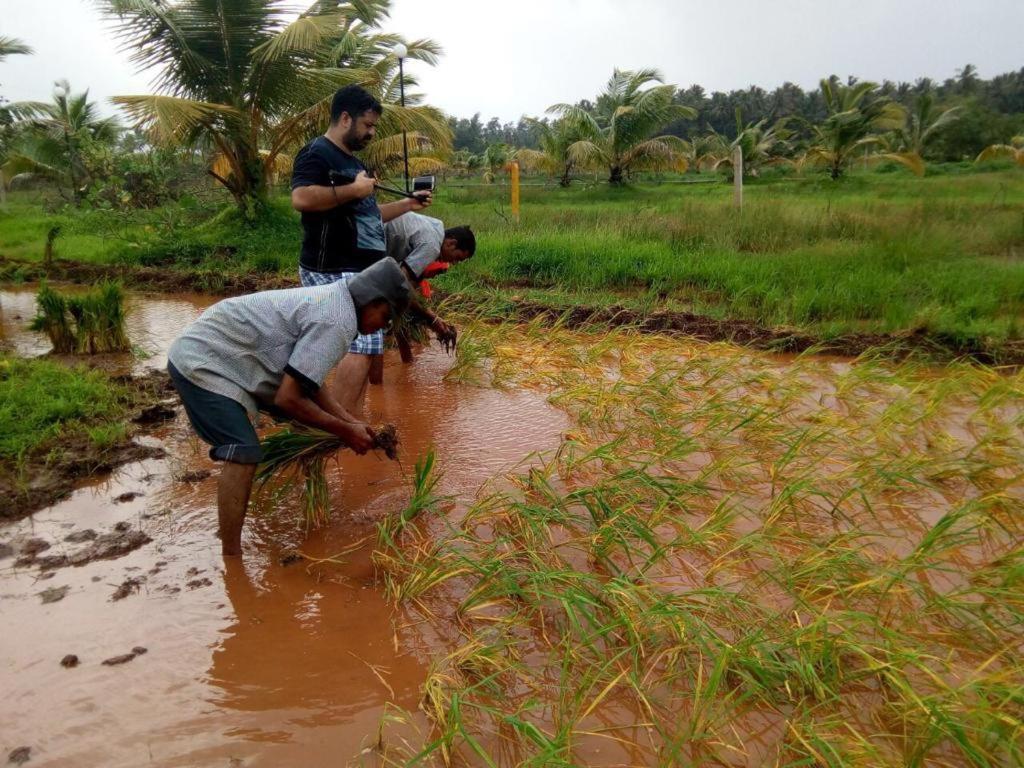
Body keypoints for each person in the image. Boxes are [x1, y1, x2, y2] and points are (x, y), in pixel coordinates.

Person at [166, 259, 411, 557]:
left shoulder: (339, 302)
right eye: (384, 318)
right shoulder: (337, 319)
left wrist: (349, 420)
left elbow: (309, 379)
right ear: (372, 300)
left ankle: (275, 512)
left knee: (302, 422)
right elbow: (288, 399)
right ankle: (231, 556)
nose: (381, 328)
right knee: (243, 451)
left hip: (233, 356)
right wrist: (346, 431)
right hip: (206, 360)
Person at [290, 84, 430, 417]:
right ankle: (338, 427)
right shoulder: (317, 153)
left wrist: (408, 204)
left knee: (362, 343)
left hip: (358, 266)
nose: (371, 132)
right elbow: (302, 198)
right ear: (344, 118)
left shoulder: (355, 163)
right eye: (367, 125)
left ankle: (344, 417)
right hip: (331, 266)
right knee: (362, 343)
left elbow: (370, 215)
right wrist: (354, 189)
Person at [378, 213, 476, 370]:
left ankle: (406, 365)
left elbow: (400, 294)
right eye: (458, 258)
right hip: (364, 246)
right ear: (452, 243)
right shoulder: (433, 245)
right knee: (371, 339)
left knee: (396, 308)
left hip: (373, 244)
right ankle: (376, 385)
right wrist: (433, 320)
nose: (454, 263)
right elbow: (400, 285)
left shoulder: (436, 226)